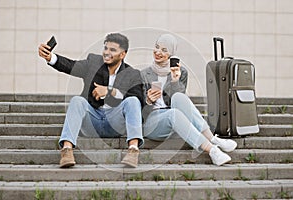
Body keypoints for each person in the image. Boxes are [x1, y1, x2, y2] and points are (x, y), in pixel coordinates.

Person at [38, 33, 144, 168]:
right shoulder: (93, 62)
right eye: (105, 48)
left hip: (115, 123)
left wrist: (110, 91)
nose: (107, 53)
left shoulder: (132, 73)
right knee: (77, 100)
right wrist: (50, 57)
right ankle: (67, 150)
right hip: (92, 121)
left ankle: (133, 150)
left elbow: (139, 98)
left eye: (112, 50)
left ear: (123, 54)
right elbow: (71, 66)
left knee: (133, 101)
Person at [140, 34, 237, 166]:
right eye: (157, 47)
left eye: (164, 50)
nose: (158, 52)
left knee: (179, 97)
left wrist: (175, 81)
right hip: (152, 122)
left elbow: (179, 102)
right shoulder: (144, 74)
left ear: (171, 53)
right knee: (173, 114)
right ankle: (212, 150)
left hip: (176, 118)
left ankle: (212, 138)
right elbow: (139, 109)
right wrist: (148, 101)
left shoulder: (181, 72)